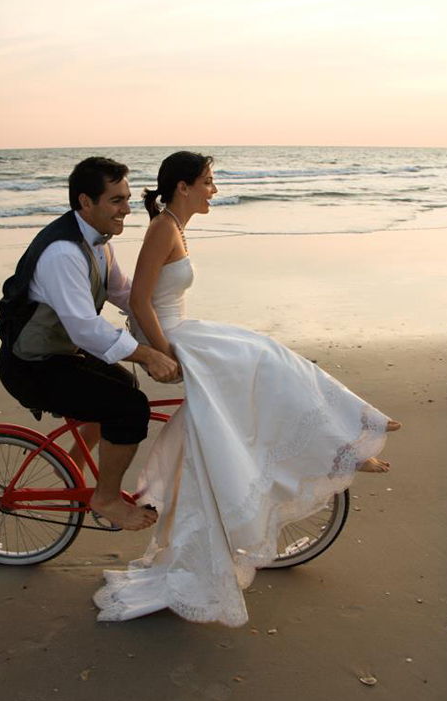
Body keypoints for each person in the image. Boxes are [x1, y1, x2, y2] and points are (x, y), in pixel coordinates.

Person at [93, 151, 401, 625]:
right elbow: (139, 301)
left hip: (179, 333)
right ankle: (347, 440)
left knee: (266, 359)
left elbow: (147, 298)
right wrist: (163, 354)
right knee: (264, 360)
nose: (213, 190)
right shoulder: (163, 228)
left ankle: (347, 435)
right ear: (183, 187)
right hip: (174, 340)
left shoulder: (174, 226)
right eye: (208, 182)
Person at [0, 156, 180, 532]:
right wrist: (146, 353)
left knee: (124, 383)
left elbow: (124, 293)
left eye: (127, 198)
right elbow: (85, 328)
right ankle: (107, 498)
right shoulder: (63, 253)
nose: (128, 209)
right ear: (85, 202)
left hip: (58, 355)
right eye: (116, 200)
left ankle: (74, 463)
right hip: (31, 366)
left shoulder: (98, 241)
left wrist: (172, 334)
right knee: (129, 408)